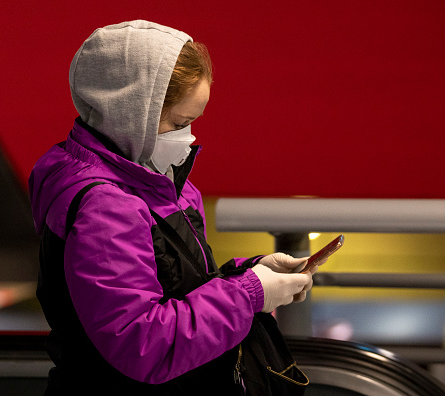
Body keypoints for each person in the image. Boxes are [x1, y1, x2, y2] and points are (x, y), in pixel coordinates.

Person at [29, 20, 317, 395]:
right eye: (180, 123)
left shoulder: (156, 178)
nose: (190, 138)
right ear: (131, 113)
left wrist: (250, 274)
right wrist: (249, 294)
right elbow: (144, 343)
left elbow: (178, 290)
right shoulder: (105, 206)